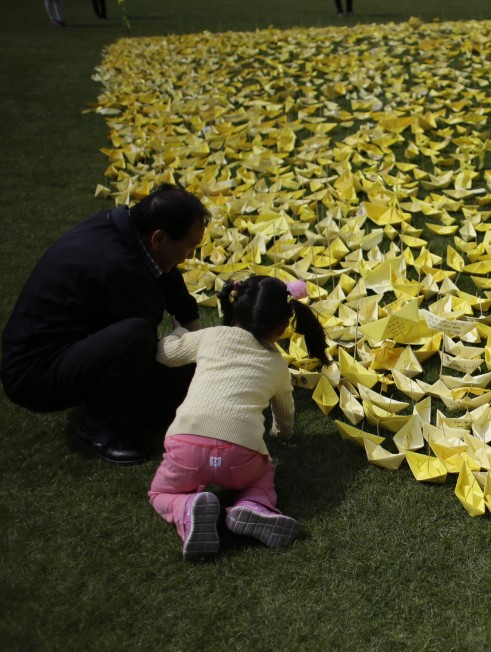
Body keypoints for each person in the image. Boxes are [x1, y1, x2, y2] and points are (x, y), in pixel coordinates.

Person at [0, 185, 209, 465]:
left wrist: (192, 326)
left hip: (63, 346)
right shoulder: (116, 265)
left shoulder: (128, 231)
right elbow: (143, 340)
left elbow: (164, 272)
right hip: (34, 376)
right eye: (190, 245)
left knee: (179, 381)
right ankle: (95, 429)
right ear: (159, 238)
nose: (189, 256)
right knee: (139, 339)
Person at [148, 275, 329, 560]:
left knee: (159, 493)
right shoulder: (277, 364)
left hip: (185, 447)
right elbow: (285, 413)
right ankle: (253, 504)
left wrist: (178, 333)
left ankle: (187, 508)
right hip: (240, 457)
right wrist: (282, 435)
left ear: (233, 308)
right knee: (265, 471)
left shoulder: (211, 337)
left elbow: (163, 354)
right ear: (283, 327)